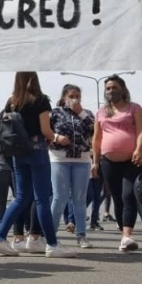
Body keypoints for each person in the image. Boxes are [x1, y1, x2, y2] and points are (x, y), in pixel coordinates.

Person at [0, 72, 74, 258]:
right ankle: (51, 244)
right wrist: (58, 137)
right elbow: (45, 130)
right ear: (34, 79)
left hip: (18, 153)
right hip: (37, 151)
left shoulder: (12, 101)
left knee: (21, 197)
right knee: (42, 199)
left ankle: (0, 237)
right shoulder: (41, 100)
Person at [91, 75, 142, 252]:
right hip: (108, 162)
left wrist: (139, 149)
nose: (111, 91)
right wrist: (95, 162)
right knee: (117, 198)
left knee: (128, 195)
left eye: (114, 87)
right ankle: (124, 234)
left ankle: (128, 235)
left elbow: (141, 131)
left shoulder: (134, 108)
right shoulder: (101, 112)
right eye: (108, 88)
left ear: (122, 89)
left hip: (132, 160)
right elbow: (97, 138)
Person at [49, 84, 96, 249]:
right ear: (64, 97)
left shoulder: (87, 114)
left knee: (80, 199)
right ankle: (50, 235)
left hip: (82, 160)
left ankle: (81, 235)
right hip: (59, 159)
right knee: (59, 198)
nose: (74, 99)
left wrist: (80, 112)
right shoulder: (55, 113)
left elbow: (95, 130)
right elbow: (45, 132)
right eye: (71, 96)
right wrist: (56, 137)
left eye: (77, 96)